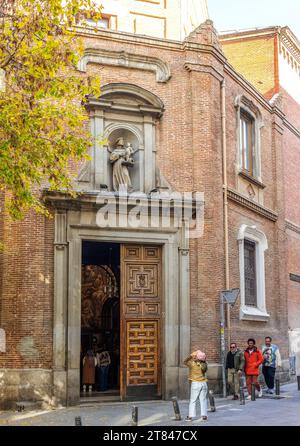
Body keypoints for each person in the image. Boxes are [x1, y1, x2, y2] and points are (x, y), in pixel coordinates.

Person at [184, 350, 208, 422]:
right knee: (203, 400)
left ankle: (190, 417)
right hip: (204, 383)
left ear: (196, 357)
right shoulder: (205, 364)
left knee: (193, 400)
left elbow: (185, 362)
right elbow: (203, 361)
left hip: (196, 383)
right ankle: (204, 416)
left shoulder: (192, 364)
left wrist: (191, 356)